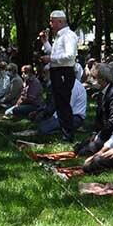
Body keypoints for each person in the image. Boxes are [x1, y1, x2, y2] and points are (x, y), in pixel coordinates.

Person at [45, 10, 80, 141]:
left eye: (52, 21)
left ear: (60, 21)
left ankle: (68, 134)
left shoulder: (68, 36)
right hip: (57, 72)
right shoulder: (59, 36)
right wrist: (45, 42)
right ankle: (64, 131)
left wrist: (50, 59)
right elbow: (55, 53)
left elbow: (69, 56)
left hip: (64, 72)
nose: (50, 24)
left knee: (64, 103)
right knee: (59, 103)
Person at [37, 72, 88, 137]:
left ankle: (65, 131)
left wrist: (54, 118)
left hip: (74, 117)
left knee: (43, 129)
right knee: (41, 124)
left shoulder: (73, 86)